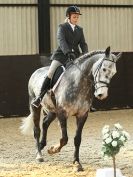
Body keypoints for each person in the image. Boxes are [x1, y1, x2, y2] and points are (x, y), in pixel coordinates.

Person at [32, 5, 88, 108]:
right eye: (74, 17)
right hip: (61, 56)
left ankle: (84, 100)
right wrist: (67, 52)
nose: (76, 19)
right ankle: (39, 97)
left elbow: (83, 43)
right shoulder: (62, 27)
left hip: (74, 57)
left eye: (77, 17)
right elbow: (61, 41)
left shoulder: (80, 29)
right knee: (50, 73)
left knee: (82, 74)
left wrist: (85, 54)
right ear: (69, 16)